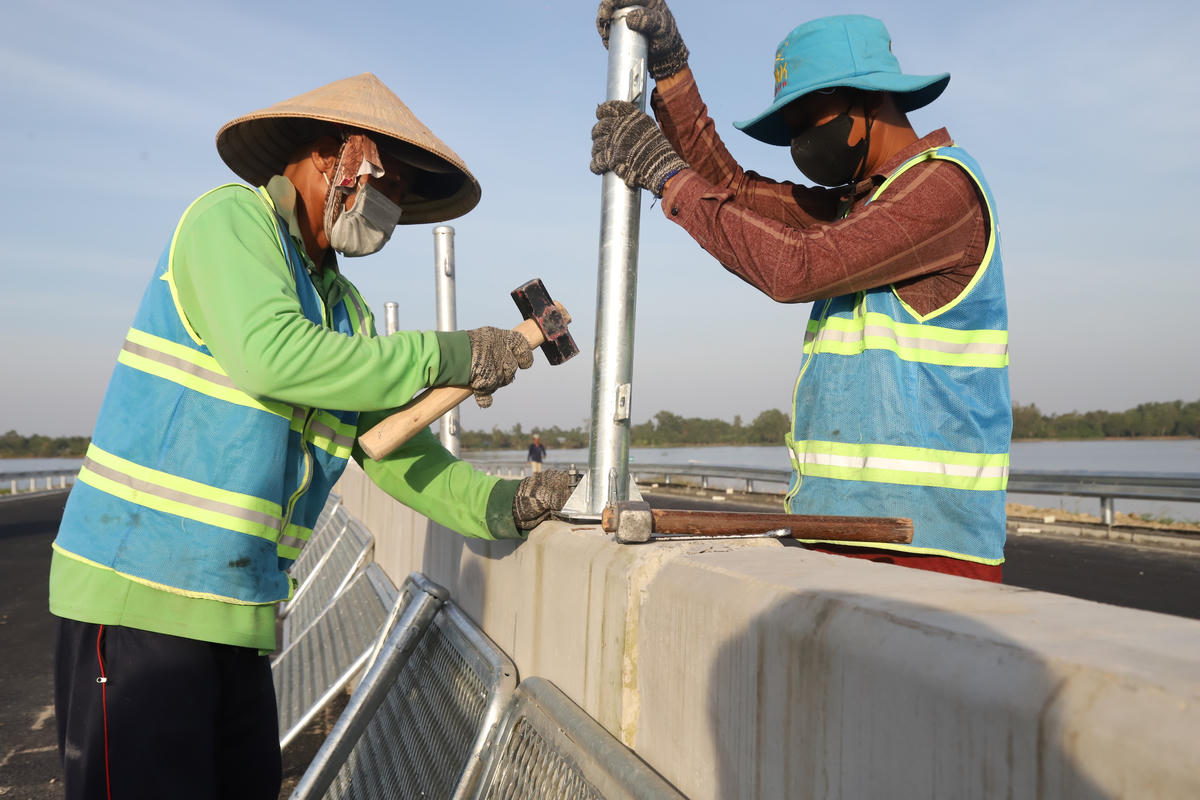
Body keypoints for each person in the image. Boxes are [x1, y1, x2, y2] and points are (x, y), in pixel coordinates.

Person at [49, 73, 573, 799]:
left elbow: (391, 446)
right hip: (139, 594)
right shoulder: (230, 224)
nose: (391, 210)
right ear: (335, 156)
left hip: (239, 614)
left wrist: (498, 506)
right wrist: (453, 354)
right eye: (389, 185)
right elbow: (273, 354)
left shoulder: (343, 307)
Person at [591, 5, 1011, 581]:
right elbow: (732, 189)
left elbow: (797, 268)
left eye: (808, 116)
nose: (799, 140)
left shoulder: (943, 190)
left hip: (928, 547)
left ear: (873, 100)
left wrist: (664, 174)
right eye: (789, 127)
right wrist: (671, 70)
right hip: (838, 532)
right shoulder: (858, 206)